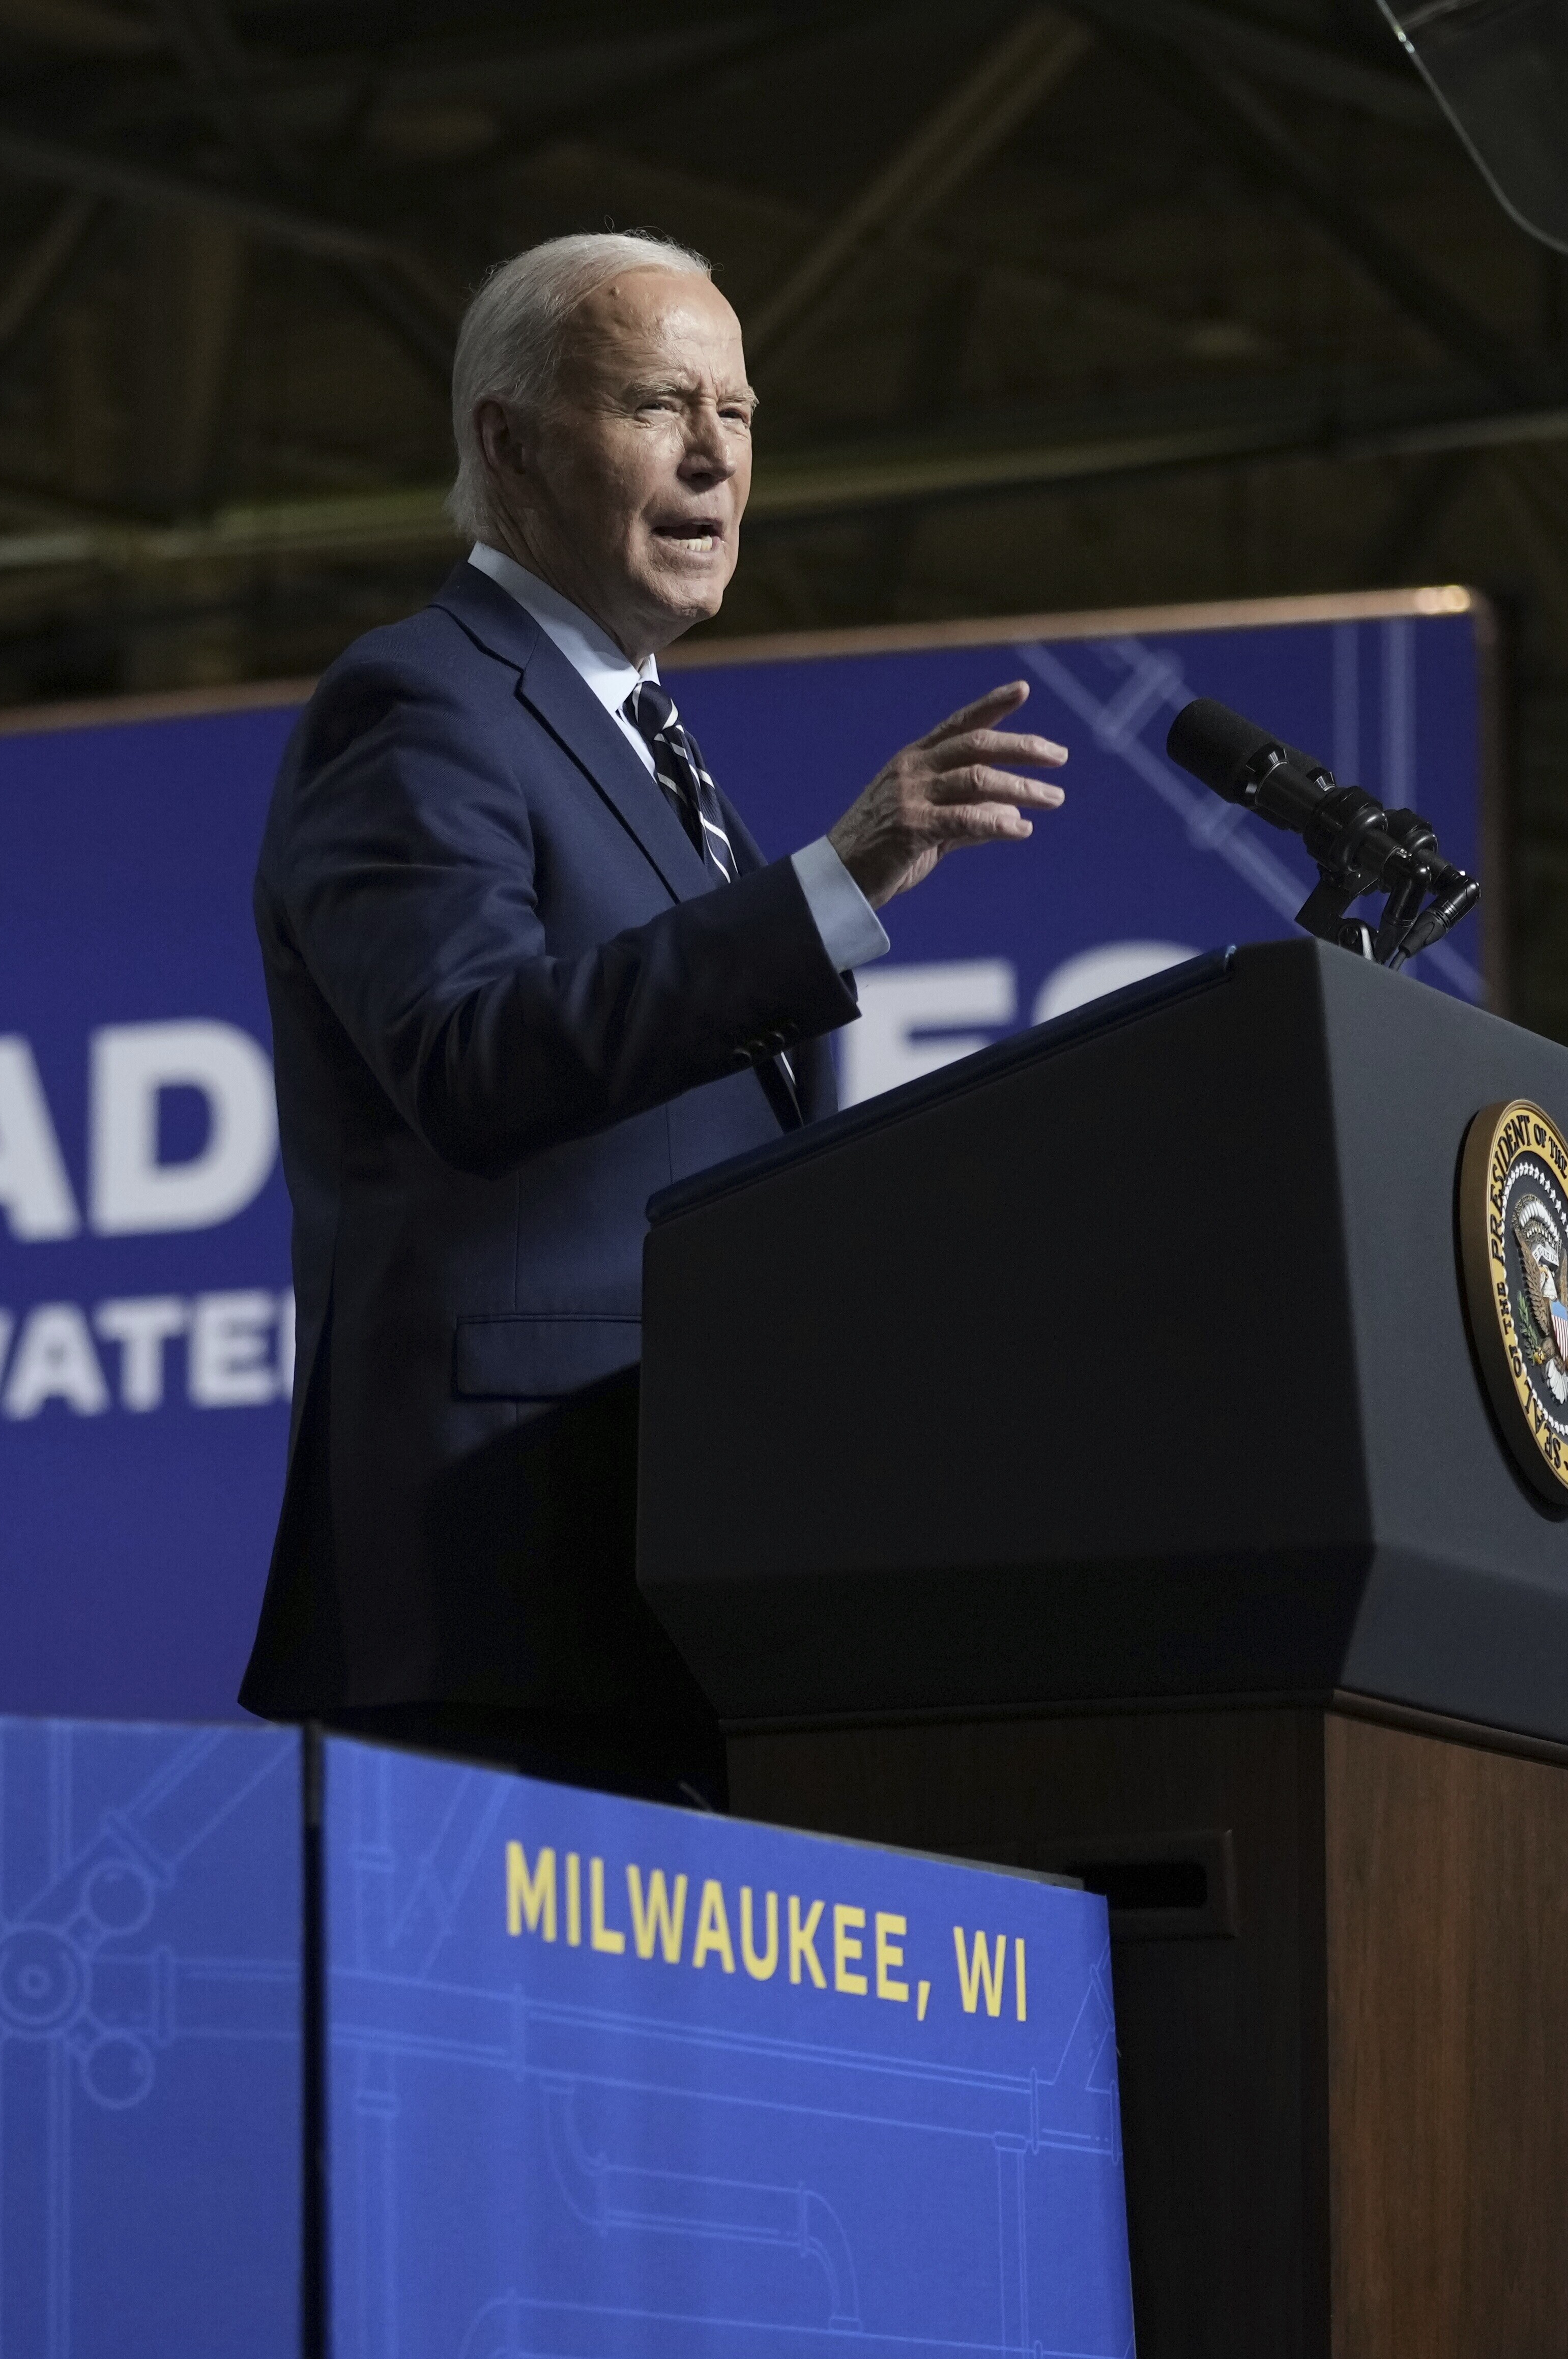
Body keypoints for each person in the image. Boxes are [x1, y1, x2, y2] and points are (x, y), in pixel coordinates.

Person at [237, 228, 1068, 1799]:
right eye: (656, 405)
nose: (714, 459)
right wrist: (838, 878)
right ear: (511, 440)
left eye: (740, 415)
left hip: (677, 1577)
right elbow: (470, 1059)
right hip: (497, 1580)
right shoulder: (419, 701)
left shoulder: (653, 758)